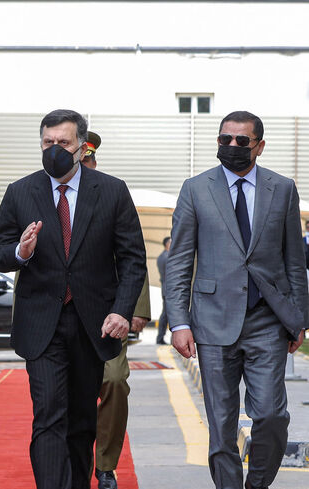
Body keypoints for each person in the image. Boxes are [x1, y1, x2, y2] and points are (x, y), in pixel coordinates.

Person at [0, 109, 146, 489]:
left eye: (63, 142)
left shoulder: (111, 190)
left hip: (93, 324)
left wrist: (123, 311)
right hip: (42, 323)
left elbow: (132, 259)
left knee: (80, 422)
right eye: (47, 142)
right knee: (48, 416)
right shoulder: (20, 191)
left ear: (81, 147)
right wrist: (20, 253)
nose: (54, 149)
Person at [166, 111, 308, 489]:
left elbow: (295, 260)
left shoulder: (283, 188)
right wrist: (179, 322)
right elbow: (179, 261)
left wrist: (299, 319)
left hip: (267, 322)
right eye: (224, 140)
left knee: (272, 417)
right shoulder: (195, 189)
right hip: (212, 323)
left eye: (241, 141)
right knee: (222, 427)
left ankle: (257, 484)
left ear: (259, 146)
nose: (231, 147)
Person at [78, 130, 151, 489]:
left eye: (89, 160)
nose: (85, 166)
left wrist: (136, 308)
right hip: (61, 316)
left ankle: (104, 464)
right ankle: (69, 459)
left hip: (109, 316)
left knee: (114, 381)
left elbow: (133, 254)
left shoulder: (112, 194)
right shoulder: (43, 194)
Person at [156, 237, 171, 345]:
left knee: (165, 314)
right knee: (166, 314)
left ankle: (160, 337)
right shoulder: (167, 257)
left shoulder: (161, 256)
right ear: (167, 244)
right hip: (168, 289)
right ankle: (160, 337)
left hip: (165, 288)